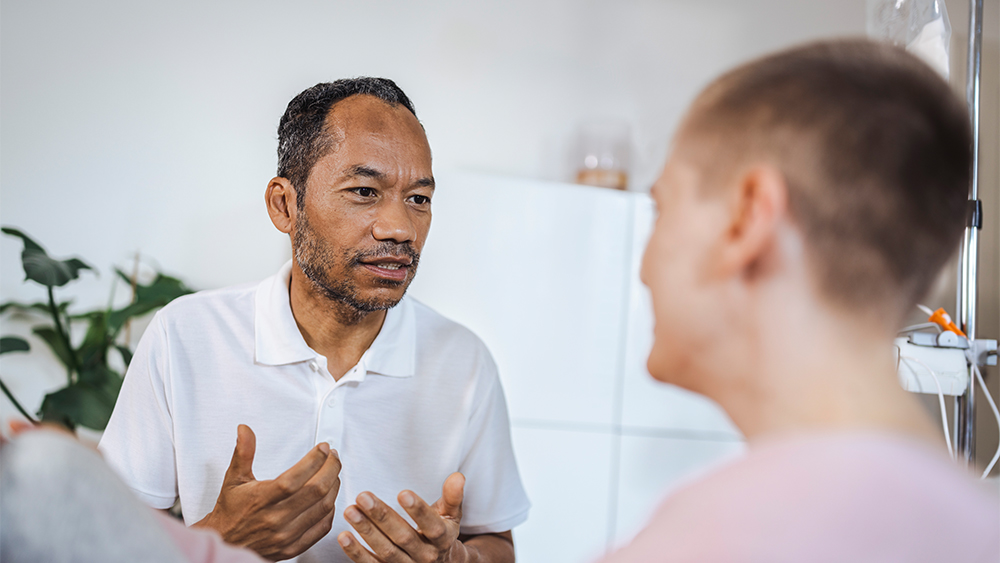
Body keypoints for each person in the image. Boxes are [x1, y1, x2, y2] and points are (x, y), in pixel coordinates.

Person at [99, 78, 529, 563]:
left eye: (418, 199)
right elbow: (105, 544)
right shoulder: (186, 337)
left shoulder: (463, 362)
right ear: (285, 205)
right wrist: (221, 539)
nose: (401, 229)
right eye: (365, 190)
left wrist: (455, 560)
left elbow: (495, 543)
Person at [601, 40, 1000, 562]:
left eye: (661, 209)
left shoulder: (712, 539)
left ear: (748, 219)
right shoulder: (980, 525)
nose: (645, 269)